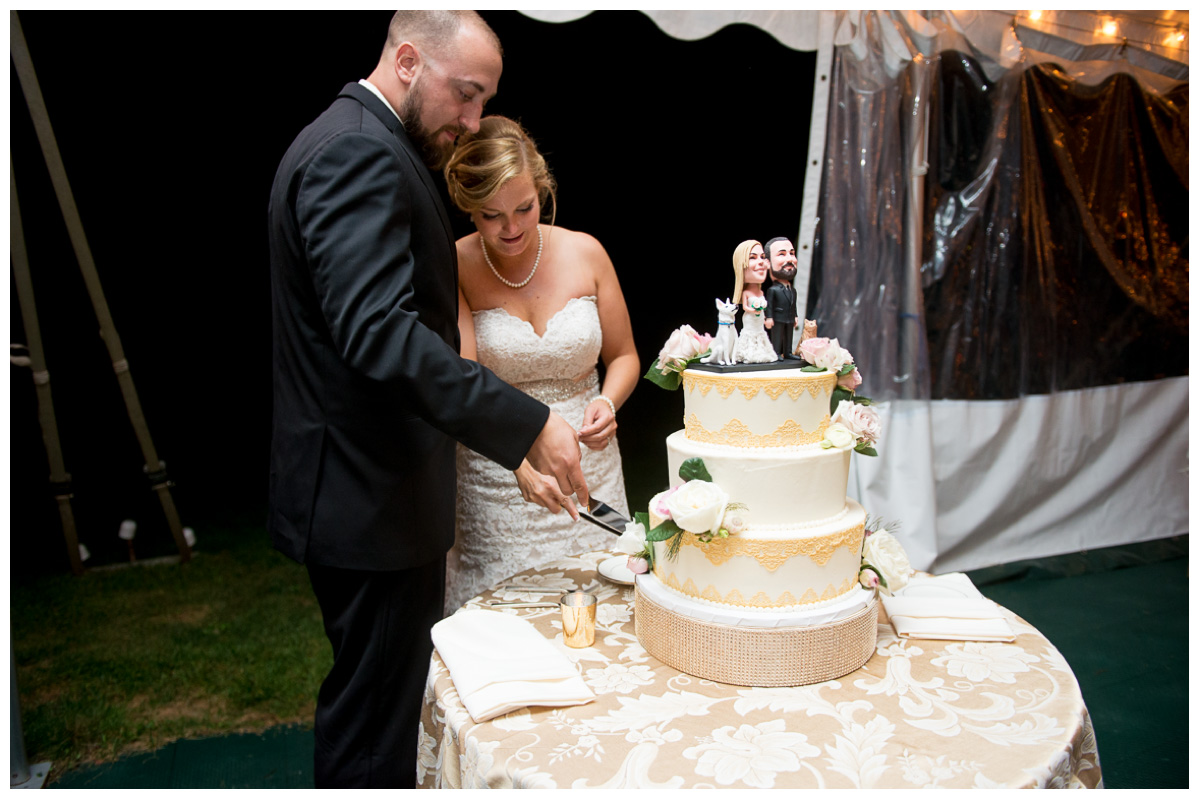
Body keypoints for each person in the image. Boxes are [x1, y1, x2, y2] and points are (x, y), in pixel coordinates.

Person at [266, 12, 588, 789]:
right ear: (408, 60)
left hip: (368, 492)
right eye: (467, 95)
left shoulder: (358, 140)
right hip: (366, 495)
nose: (473, 121)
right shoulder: (356, 153)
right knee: (374, 723)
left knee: (381, 703)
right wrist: (525, 422)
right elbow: (378, 334)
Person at [441, 116, 638, 614]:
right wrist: (515, 461)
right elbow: (462, 381)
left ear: (542, 190)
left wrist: (606, 400)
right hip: (499, 476)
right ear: (468, 209)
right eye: (491, 216)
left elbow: (625, 356)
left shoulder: (586, 252)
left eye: (524, 209)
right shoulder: (454, 264)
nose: (511, 228)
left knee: (605, 617)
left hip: (590, 469)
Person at [730, 240, 778, 363]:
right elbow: (745, 307)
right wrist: (754, 309)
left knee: (761, 335)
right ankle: (749, 354)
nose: (761, 261)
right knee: (751, 336)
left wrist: (766, 317)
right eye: (753, 257)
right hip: (750, 320)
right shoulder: (746, 293)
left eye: (762, 257)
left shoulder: (761, 293)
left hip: (759, 321)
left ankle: (761, 353)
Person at [764, 236, 799, 358]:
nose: (789, 259)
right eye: (782, 254)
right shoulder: (773, 289)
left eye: (792, 253)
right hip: (777, 317)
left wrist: (795, 316)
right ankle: (777, 352)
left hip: (789, 317)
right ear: (767, 262)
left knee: (789, 335)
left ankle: (788, 352)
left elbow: (793, 303)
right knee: (777, 336)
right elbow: (770, 305)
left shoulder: (792, 289)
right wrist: (769, 317)